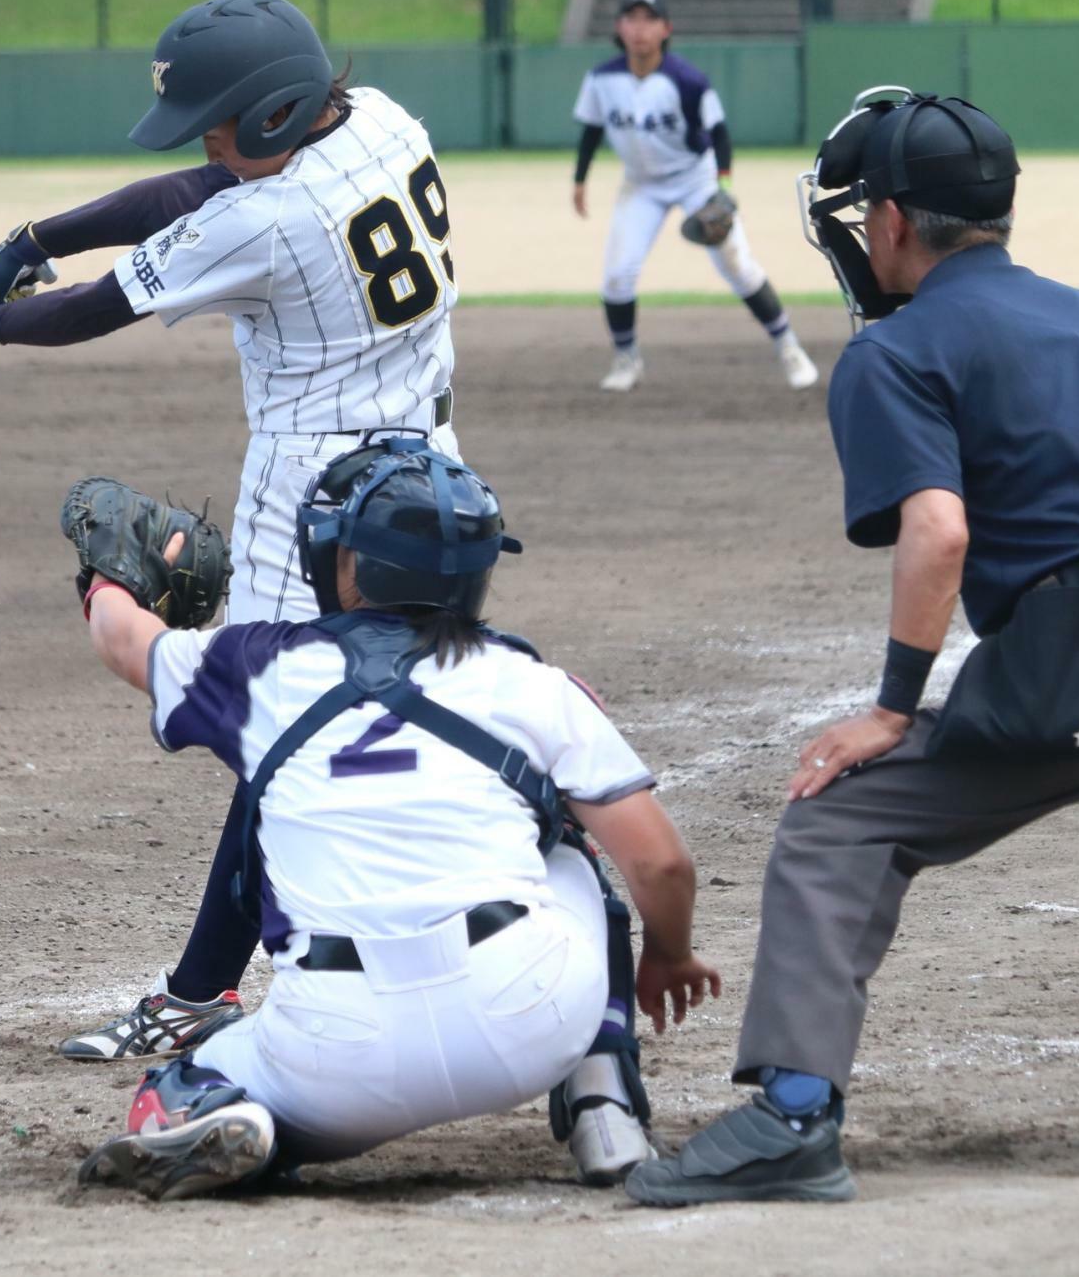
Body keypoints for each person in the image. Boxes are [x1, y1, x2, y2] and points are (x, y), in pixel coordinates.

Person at [624, 89, 1079, 1208]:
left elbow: (937, 529)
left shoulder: (897, 350)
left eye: (863, 215)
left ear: (894, 220)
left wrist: (891, 707)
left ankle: (794, 1114)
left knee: (842, 814)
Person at [0, 0, 475, 1077]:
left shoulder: (267, 221)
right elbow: (198, 185)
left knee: (268, 727)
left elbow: (97, 307)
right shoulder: (382, 122)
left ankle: (199, 992)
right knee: (377, 710)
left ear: (270, 117)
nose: (209, 144)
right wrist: (40, 234)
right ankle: (408, 941)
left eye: (219, 121)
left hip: (311, 495)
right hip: (428, 478)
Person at [64, 440, 719, 1197]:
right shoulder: (532, 683)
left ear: (348, 566)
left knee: (184, 1081)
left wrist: (108, 578)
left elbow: (121, 638)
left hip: (337, 1054)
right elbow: (661, 863)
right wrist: (668, 954)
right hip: (528, 1022)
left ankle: (245, 1122)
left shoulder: (255, 667)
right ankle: (604, 1100)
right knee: (569, 846)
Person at [571, 0, 815, 394]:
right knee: (617, 275)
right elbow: (593, 129)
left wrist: (722, 188)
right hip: (641, 185)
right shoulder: (602, 78)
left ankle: (789, 345)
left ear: (666, 28)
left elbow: (719, 134)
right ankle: (627, 359)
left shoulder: (687, 81)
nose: (640, 28)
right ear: (619, 27)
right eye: (631, 18)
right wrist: (580, 178)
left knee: (736, 264)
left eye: (649, 19)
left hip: (694, 177)